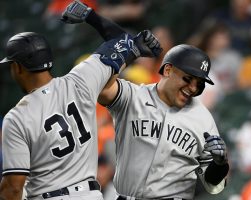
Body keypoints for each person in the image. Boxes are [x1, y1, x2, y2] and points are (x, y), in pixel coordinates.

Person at [62, 2, 230, 200]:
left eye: (199, 84)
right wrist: (129, 50)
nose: (193, 88)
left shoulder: (203, 118)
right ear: (167, 70)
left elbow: (214, 187)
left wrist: (219, 165)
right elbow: (100, 85)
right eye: (188, 79)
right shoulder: (133, 97)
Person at [0, 1, 162, 199]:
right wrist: (89, 15)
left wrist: (134, 49)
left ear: (17, 67)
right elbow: (122, 39)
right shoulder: (80, 80)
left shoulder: (17, 117)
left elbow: (13, 188)